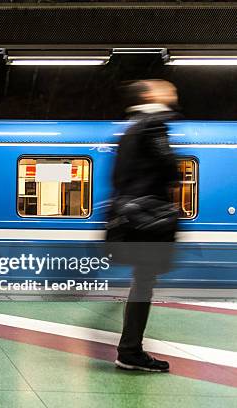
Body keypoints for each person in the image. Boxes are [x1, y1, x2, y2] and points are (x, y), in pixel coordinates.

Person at [108, 79, 181, 372]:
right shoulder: (154, 125)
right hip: (149, 219)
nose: (171, 91)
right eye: (165, 88)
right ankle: (130, 351)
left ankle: (130, 349)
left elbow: (117, 178)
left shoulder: (129, 128)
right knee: (144, 283)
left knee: (142, 282)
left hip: (130, 217)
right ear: (150, 95)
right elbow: (170, 167)